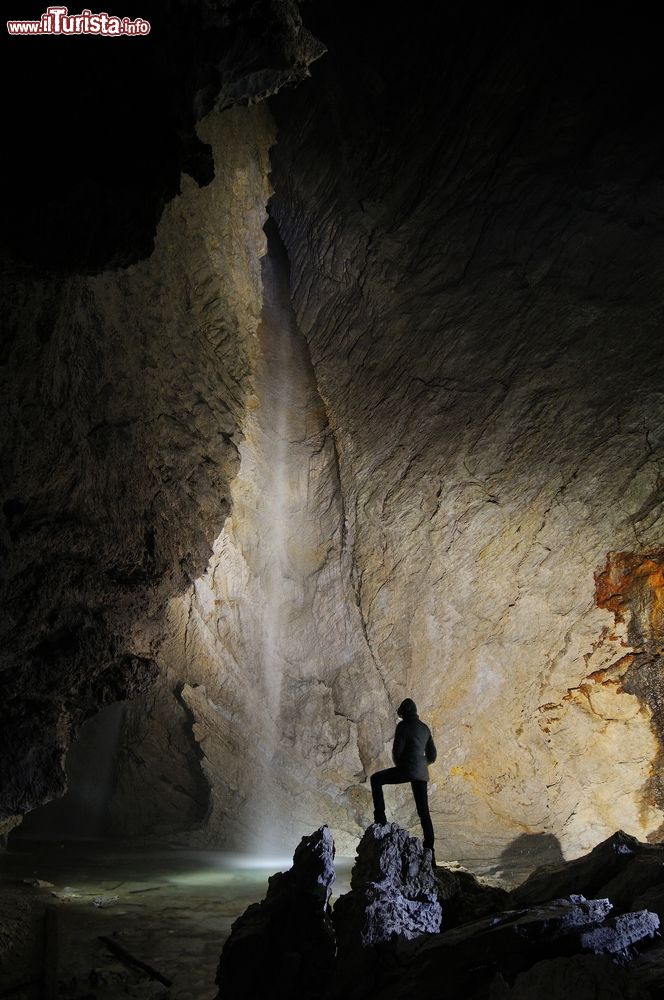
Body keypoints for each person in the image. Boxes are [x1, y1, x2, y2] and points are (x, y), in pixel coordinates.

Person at [370, 698, 437, 863]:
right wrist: (421, 764)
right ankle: (431, 853)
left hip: (407, 769)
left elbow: (397, 752)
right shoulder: (424, 728)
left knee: (376, 779)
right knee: (424, 813)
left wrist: (403, 766)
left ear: (404, 712)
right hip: (422, 773)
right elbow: (433, 756)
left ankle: (381, 821)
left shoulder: (403, 726)